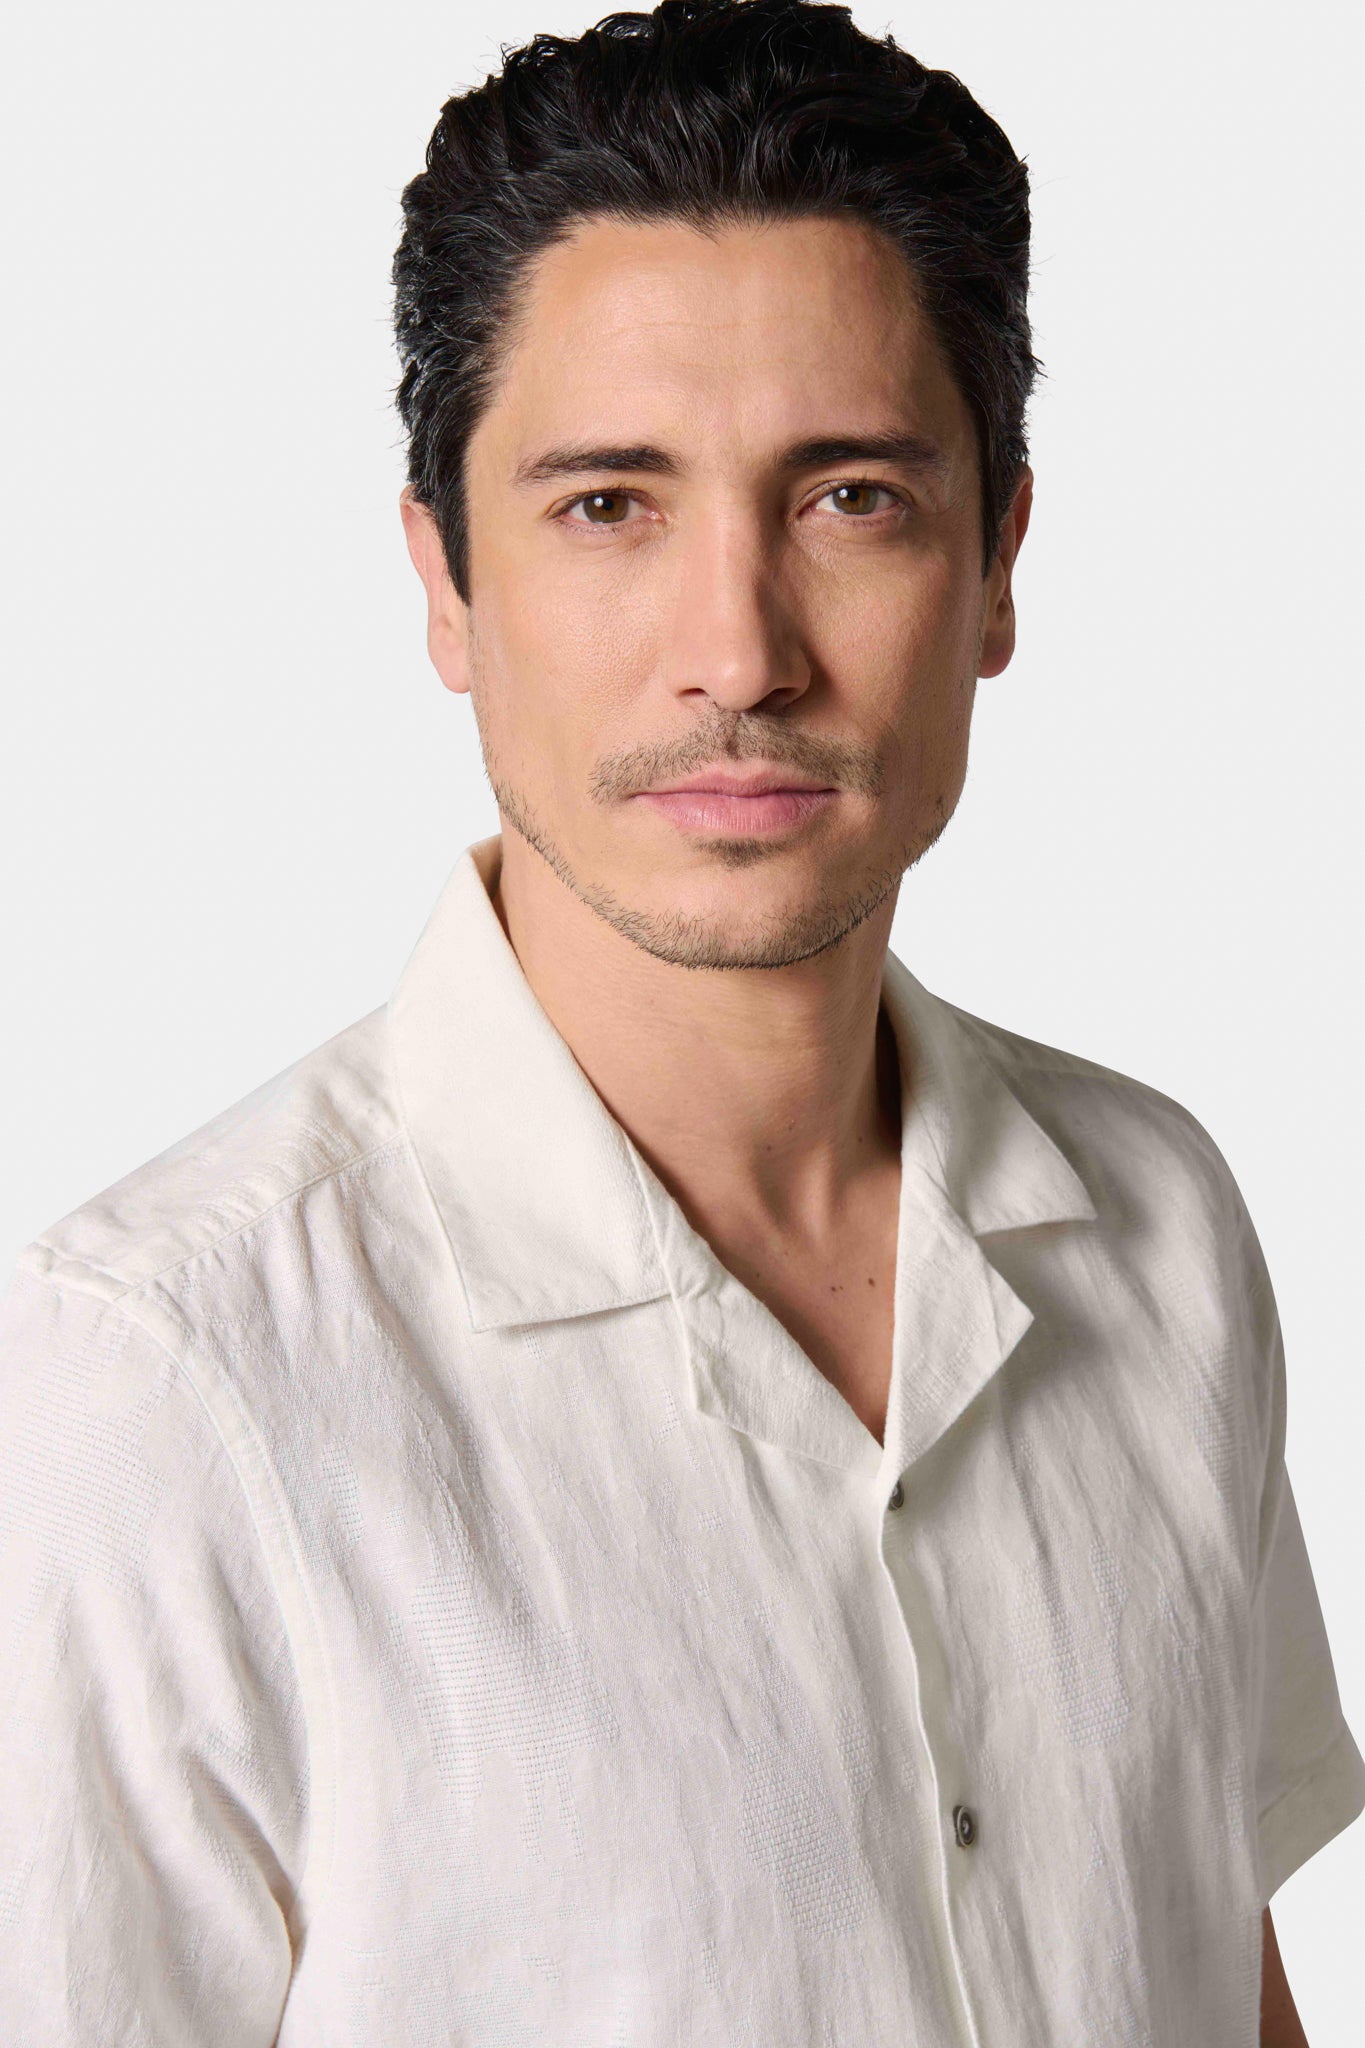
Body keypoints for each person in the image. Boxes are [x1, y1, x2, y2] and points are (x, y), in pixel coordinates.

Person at [1, 0, 1359, 2040]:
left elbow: (1213, 1968)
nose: (736, 651)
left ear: (997, 562)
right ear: (444, 584)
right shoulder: (158, 1383)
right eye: (607, 506)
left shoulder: (1156, 1220)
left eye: (849, 497)